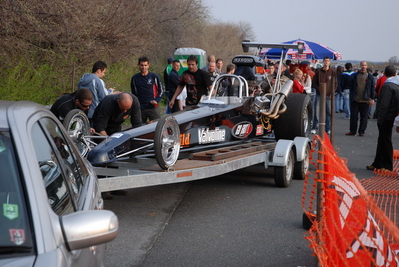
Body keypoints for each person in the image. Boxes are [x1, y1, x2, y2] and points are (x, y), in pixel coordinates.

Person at [366, 65, 399, 171]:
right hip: (391, 115)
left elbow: (384, 103)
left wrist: (380, 117)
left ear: (384, 74)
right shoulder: (396, 85)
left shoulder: (388, 85)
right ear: (395, 74)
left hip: (386, 117)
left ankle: (387, 165)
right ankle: (378, 162)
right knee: (382, 140)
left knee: (385, 140)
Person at [130, 56, 164, 123]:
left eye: (145, 65)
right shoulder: (135, 78)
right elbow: (133, 93)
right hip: (140, 108)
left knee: (156, 127)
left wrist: (156, 100)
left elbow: (161, 90)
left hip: (153, 107)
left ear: (148, 65)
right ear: (138, 65)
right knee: (139, 127)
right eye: (142, 65)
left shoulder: (154, 77)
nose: (143, 67)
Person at [346, 61, 375, 136]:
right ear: (360, 66)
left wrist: (372, 98)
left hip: (365, 100)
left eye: (365, 65)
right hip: (355, 99)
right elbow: (350, 85)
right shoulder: (355, 76)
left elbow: (372, 88)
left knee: (364, 117)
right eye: (362, 65)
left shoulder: (370, 77)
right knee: (353, 116)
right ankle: (352, 131)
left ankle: (361, 131)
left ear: (367, 66)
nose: (363, 67)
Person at [312, 57, 336, 135]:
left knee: (328, 112)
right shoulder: (319, 72)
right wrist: (319, 90)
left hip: (329, 95)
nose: (326, 62)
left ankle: (327, 128)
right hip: (319, 95)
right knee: (317, 110)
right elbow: (314, 83)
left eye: (328, 61)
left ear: (329, 62)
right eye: (325, 61)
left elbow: (335, 84)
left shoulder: (332, 72)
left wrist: (332, 93)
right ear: (323, 62)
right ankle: (315, 127)